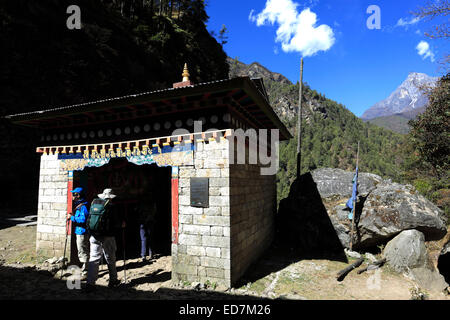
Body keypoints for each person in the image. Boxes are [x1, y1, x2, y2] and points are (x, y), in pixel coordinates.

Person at [85, 188, 125, 292]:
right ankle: (113, 280)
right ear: (111, 197)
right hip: (108, 237)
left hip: (94, 236)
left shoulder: (94, 203)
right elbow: (116, 223)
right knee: (110, 258)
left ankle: (90, 283)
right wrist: (122, 224)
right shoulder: (111, 207)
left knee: (93, 259)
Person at [68, 187, 90, 278]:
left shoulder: (83, 207)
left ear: (78, 195)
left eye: (74, 194)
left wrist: (72, 218)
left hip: (82, 232)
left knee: (83, 251)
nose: (72, 196)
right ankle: (86, 269)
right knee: (82, 251)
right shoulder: (79, 205)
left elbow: (83, 219)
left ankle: (85, 272)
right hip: (80, 231)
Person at [136, 193, 157, 263]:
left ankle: (143, 255)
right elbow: (154, 212)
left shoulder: (141, 204)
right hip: (150, 221)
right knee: (150, 238)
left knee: (143, 239)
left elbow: (138, 212)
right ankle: (151, 254)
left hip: (143, 222)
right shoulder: (152, 204)